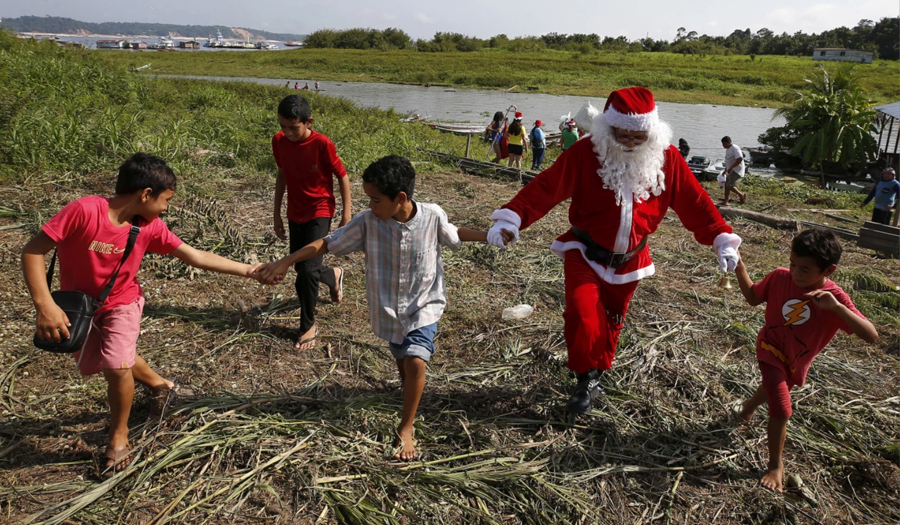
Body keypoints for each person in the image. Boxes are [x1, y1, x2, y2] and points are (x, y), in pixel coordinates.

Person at [486, 87, 741, 414]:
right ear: (609, 128)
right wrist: (512, 219)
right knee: (582, 312)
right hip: (585, 250)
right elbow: (546, 187)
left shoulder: (668, 159)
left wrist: (720, 237)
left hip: (632, 258)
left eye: (640, 137)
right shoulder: (585, 153)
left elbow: (695, 202)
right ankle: (582, 375)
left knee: (613, 320)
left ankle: (598, 373)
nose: (633, 143)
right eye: (624, 136)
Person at [21, 153, 264, 474]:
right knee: (115, 355)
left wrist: (251, 270)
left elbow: (195, 256)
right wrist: (45, 305)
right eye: (166, 200)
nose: (166, 208)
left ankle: (118, 437)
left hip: (123, 303)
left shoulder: (150, 227)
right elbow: (33, 250)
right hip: (81, 306)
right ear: (145, 194)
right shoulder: (84, 211)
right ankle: (161, 386)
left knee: (116, 365)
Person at [258, 155, 508, 460]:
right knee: (404, 363)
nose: (371, 206)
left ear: (400, 198)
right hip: (388, 308)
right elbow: (327, 243)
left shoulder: (432, 216)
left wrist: (490, 236)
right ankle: (408, 390)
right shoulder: (367, 222)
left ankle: (406, 427)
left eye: (376, 200)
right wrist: (285, 260)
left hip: (424, 304)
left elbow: (455, 235)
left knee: (417, 361)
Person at [733, 228, 877, 492]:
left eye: (805, 269)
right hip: (770, 346)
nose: (796, 273)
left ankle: (746, 408)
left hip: (796, 359)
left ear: (828, 271)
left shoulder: (834, 298)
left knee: (773, 388)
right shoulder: (780, 278)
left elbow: (871, 335)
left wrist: (837, 308)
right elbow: (753, 297)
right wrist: (739, 265)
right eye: (793, 264)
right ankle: (775, 465)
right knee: (781, 406)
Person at [272, 95, 352, 350]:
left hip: (320, 210)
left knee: (306, 271)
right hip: (295, 211)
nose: (288, 133)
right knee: (301, 267)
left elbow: (342, 176)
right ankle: (333, 275)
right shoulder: (279, 141)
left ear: (308, 122)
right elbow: (282, 175)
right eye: (283, 126)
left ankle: (307, 325)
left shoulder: (321, 144)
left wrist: (346, 214)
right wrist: (276, 212)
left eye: (293, 128)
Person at [721, 136, 746, 205]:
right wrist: (726, 169)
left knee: (730, 185)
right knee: (726, 185)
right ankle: (726, 201)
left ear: (729, 142)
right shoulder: (728, 149)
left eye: (724, 144)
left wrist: (731, 168)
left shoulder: (734, 148)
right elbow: (729, 160)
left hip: (737, 170)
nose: (723, 145)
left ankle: (741, 195)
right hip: (731, 170)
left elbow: (740, 159)